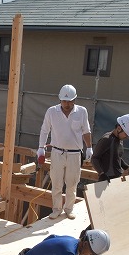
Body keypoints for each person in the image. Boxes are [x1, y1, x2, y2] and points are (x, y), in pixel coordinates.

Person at [37, 84, 93, 220]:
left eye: (69, 101)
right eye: (64, 101)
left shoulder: (82, 111)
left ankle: (68, 209)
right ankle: (56, 209)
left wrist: (89, 147)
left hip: (74, 154)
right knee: (56, 183)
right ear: (60, 99)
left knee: (72, 183)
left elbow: (86, 131)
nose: (66, 104)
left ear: (75, 100)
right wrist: (41, 148)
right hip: (57, 152)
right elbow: (45, 130)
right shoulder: (52, 111)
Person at [91, 114, 129, 182]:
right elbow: (94, 158)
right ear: (119, 128)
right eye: (126, 134)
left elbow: (117, 157)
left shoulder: (119, 140)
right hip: (106, 180)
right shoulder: (107, 139)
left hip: (116, 178)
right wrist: (102, 174)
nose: (127, 137)